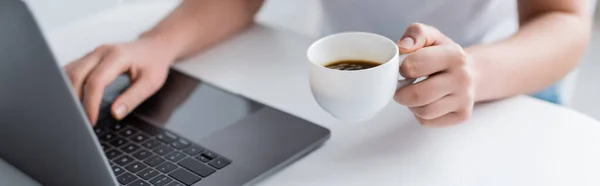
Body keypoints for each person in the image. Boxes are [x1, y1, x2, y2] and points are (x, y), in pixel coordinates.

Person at [65, 0, 594, 127]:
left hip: (505, 86)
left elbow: (565, 20)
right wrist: (156, 45)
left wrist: (476, 73)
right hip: (346, 93)